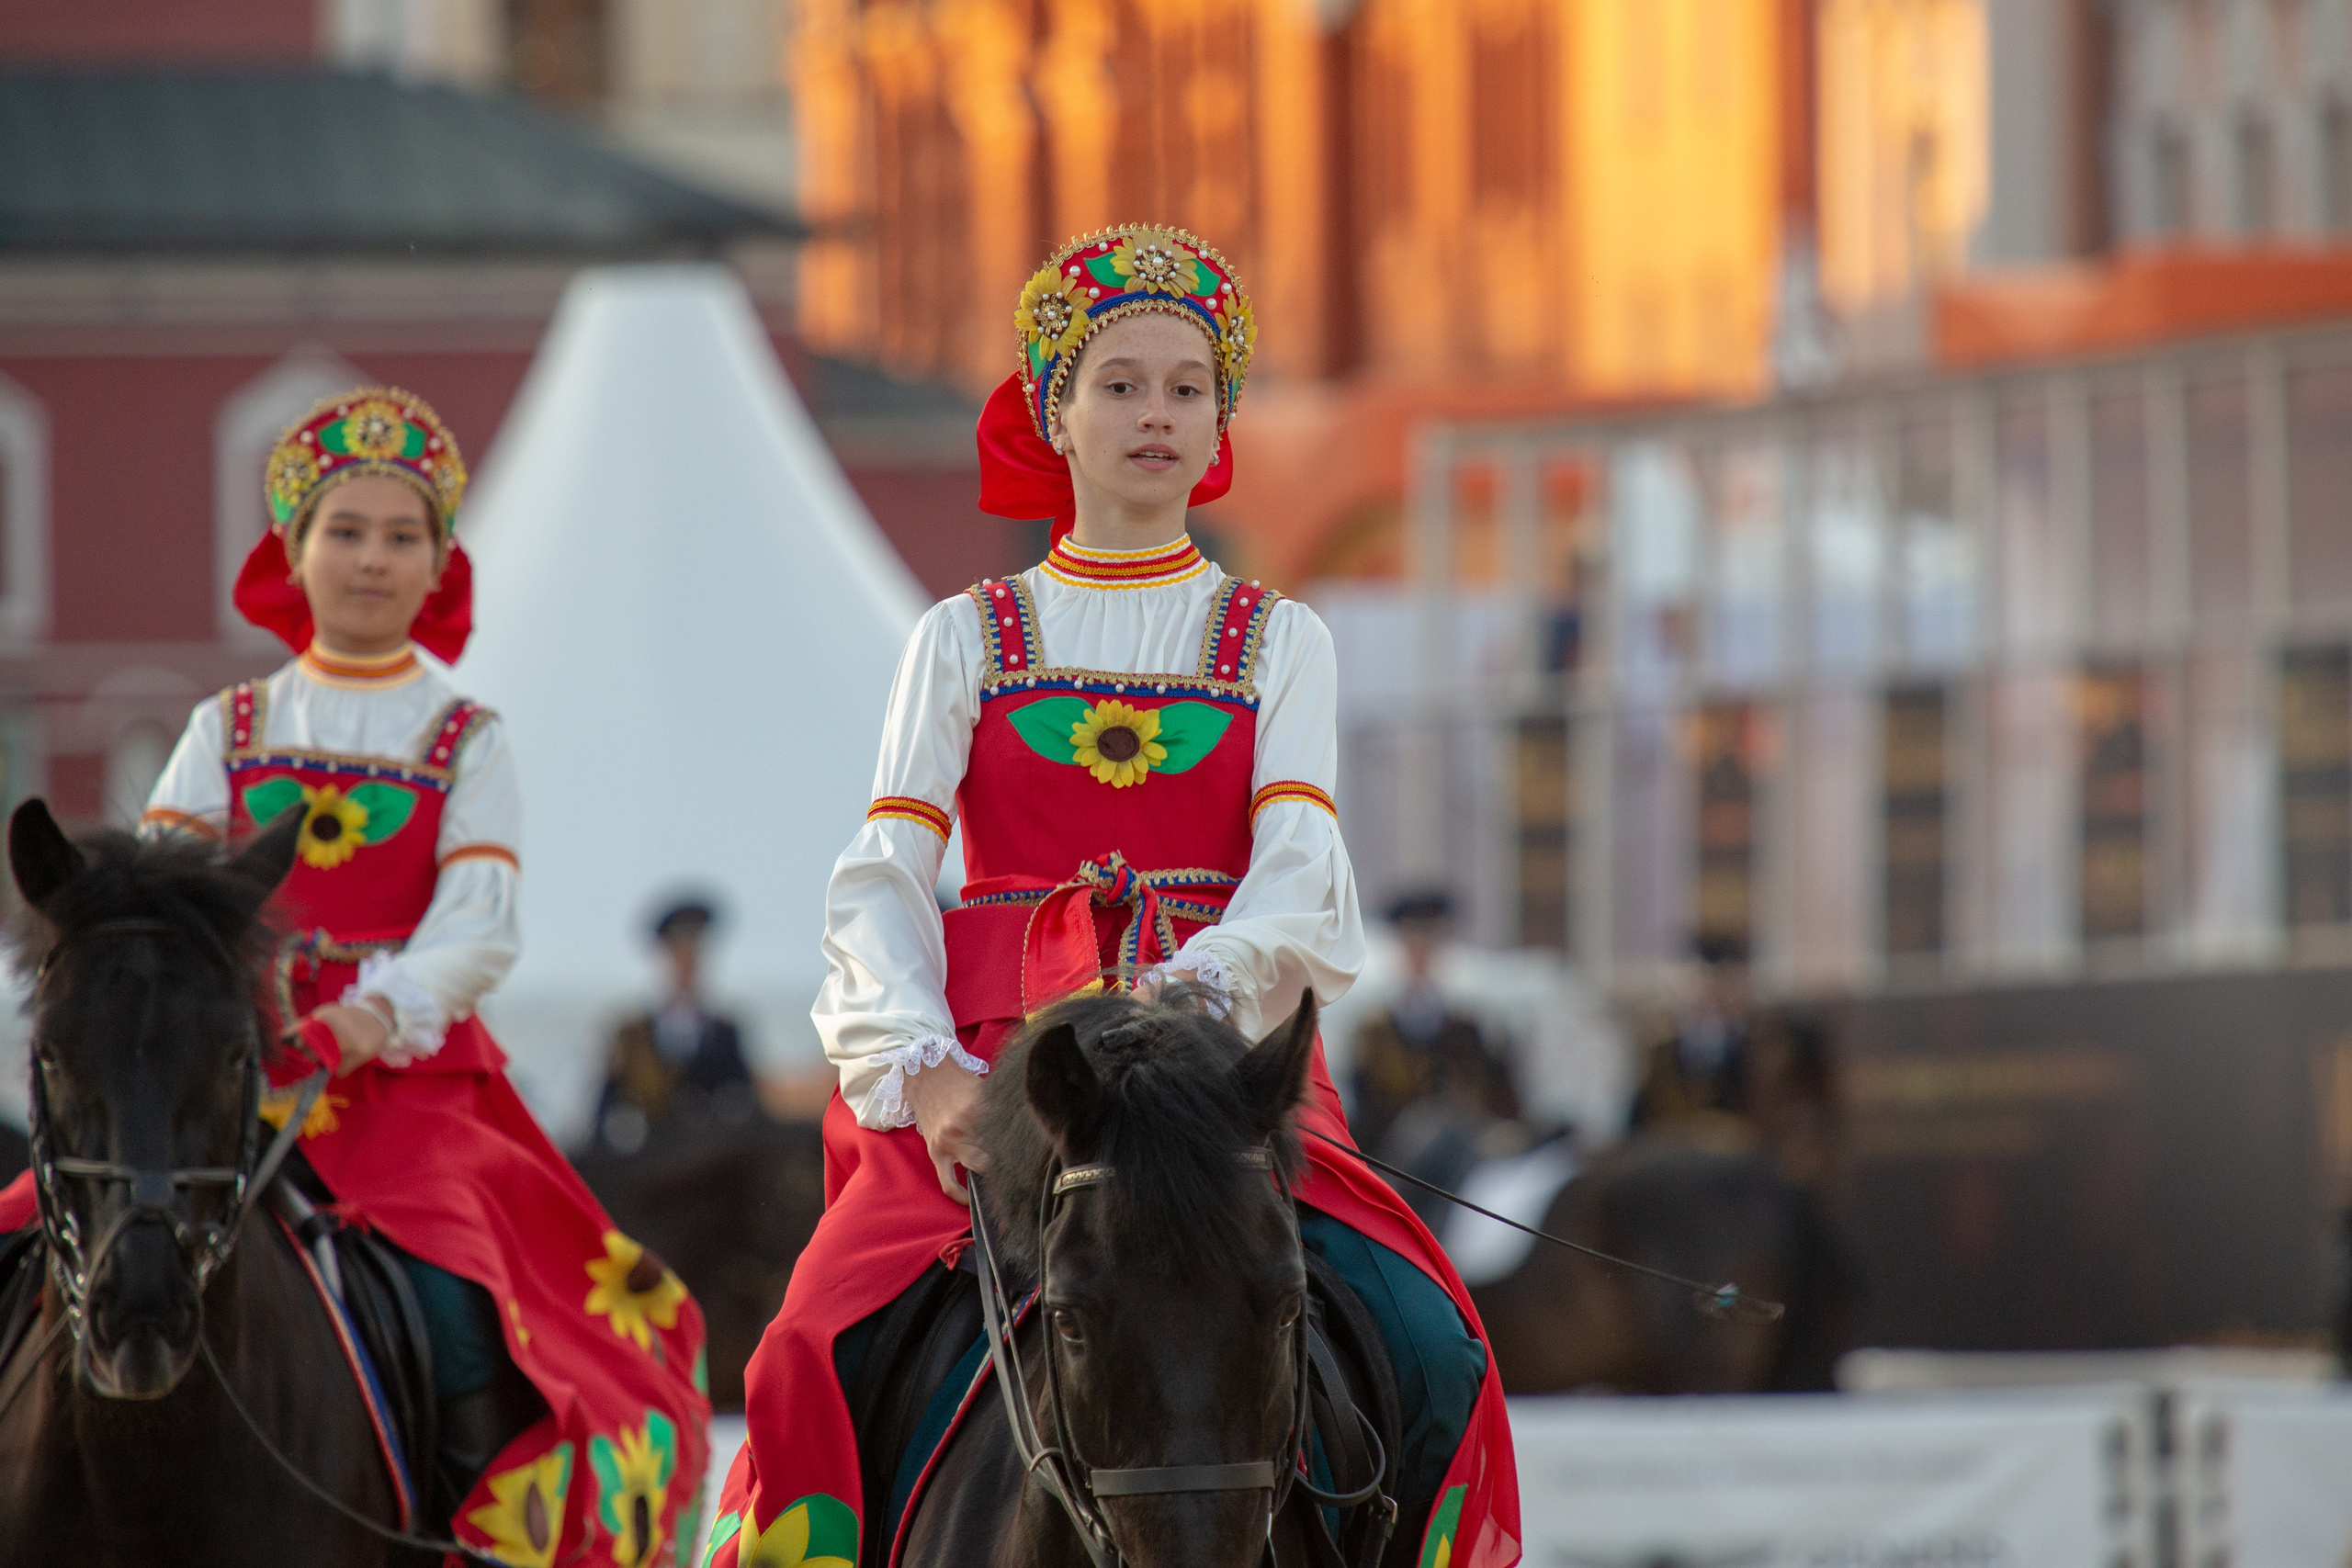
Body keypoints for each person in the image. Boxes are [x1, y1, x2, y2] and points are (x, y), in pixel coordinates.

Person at [711, 228, 1519, 1568]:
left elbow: (1303, 867)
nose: (1158, 415)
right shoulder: (962, 633)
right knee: (805, 1343)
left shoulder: (1279, 635)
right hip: (986, 1069)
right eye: (1122, 384)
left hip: (1218, 1077)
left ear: (1222, 420)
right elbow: (883, 876)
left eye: (1189, 387)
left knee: (1436, 1339)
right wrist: (919, 1074)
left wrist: (1187, 999)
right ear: (1054, 410)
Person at [0, 388, 709, 1565]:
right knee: (34, 1238)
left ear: (439, 562)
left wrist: (368, 1020)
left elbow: (479, 925)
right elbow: (152, 904)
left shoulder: (463, 737)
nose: (372, 560)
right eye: (346, 531)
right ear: (293, 547)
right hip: (209, 1076)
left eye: (401, 536)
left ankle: (461, 1532)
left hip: (402, 1090)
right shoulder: (226, 725)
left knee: (465, 1300)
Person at [1350, 889, 1521, 1157]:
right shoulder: (1375, 1032)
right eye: (1412, 942)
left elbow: (1498, 1095)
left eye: (1429, 942)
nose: (1422, 953)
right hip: (1395, 1160)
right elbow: (1364, 1108)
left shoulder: (1466, 1027)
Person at [592, 898, 757, 1154]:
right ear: (665, 957)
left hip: (713, 1166)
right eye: (679, 952)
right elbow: (604, 1115)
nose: (688, 962)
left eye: (695, 951)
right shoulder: (633, 1035)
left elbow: (747, 1103)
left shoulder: (724, 1032)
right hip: (647, 1170)